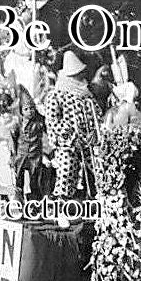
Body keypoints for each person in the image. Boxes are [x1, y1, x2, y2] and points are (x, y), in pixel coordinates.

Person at [45, 51, 101, 199]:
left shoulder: (86, 96)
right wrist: (69, 135)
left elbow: (96, 115)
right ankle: (61, 203)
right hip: (67, 143)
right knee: (67, 169)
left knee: (97, 168)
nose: (81, 78)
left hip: (88, 141)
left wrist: (95, 133)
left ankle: (95, 199)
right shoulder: (56, 95)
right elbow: (53, 121)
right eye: (77, 75)